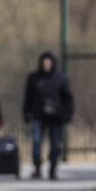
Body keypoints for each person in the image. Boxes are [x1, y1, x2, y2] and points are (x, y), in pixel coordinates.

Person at [22, 51, 73, 180]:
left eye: (48, 62)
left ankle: (52, 168)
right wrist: (26, 112)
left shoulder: (60, 78)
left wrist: (67, 113)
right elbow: (28, 97)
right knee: (37, 141)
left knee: (56, 144)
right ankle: (37, 167)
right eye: (44, 62)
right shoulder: (34, 78)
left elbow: (67, 98)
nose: (46, 65)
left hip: (56, 117)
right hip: (38, 115)